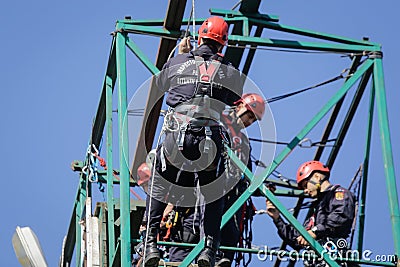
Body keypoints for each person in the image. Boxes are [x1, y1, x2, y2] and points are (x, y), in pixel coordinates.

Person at [143, 16, 242, 267]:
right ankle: (209, 249)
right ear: (223, 43)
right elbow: (233, 98)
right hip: (208, 144)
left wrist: (181, 55)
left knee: (159, 183)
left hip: (177, 140)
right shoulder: (229, 70)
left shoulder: (178, 61)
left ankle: (150, 244)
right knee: (212, 193)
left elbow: (161, 84)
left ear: (200, 36)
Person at [266, 161, 356, 266]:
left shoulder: (338, 193)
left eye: (305, 185)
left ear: (317, 177)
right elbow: (297, 238)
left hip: (334, 258)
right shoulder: (318, 210)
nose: (305, 191)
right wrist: (277, 218)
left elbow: (341, 216)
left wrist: (315, 231)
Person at [216, 93, 266, 267]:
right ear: (239, 106)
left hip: (234, 194)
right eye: (249, 114)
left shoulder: (243, 141)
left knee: (230, 231)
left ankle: (223, 258)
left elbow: (249, 174)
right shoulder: (218, 124)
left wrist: (259, 188)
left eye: (253, 119)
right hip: (215, 186)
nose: (249, 121)